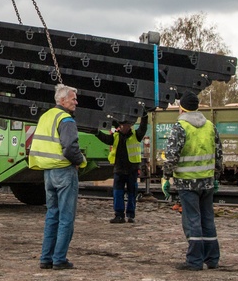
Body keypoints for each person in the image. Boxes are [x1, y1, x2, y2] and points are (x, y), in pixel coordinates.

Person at [161, 90, 223, 271]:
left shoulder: (180, 127)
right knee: (208, 219)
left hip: (187, 183)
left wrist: (166, 177)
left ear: (182, 109)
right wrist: (216, 176)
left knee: (192, 220)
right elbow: (219, 154)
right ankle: (212, 258)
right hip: (207, 182)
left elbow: (171, 156)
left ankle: (194, 260)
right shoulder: (210, 126)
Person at [29, 84, 86, 270]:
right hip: (64, 170)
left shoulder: (45, 116)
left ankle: (46, 258)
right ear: (62, 100)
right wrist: (80, 161)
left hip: (48, 172)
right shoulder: (66, 119)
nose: (76, 102)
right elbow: (70, 147)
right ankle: (59, 258)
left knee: (52, 215)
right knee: (66, 217)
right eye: (73, 98)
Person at [93, 113, 148, 223]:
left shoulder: (136, 135)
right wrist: (96, 132)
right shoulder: (116, 136)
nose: (124, 127)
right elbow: (105, 139)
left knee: (132, 193)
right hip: (119, 169)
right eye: (123, 125)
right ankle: (119, 215)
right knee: (118, 193)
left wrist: (144, 115)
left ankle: (130, 215)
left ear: (130, 126)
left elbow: (143, 126)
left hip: (131, 169)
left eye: (126, 125)